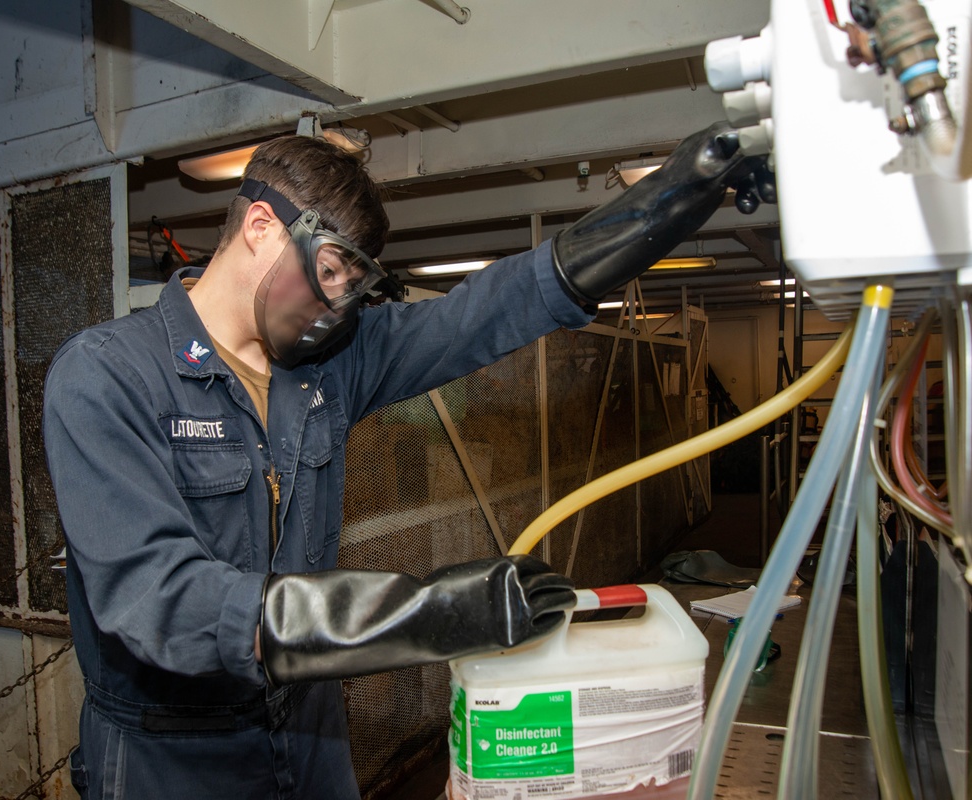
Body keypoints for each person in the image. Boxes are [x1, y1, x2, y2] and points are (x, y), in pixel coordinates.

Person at [43, 123, 771, 798]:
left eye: (354, 287)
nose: (338, 307)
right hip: (172, 754)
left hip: (309, 730)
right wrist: (429, 615)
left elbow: (484, 311)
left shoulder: (328, 367)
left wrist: (670, 200)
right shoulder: (107, 377)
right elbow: (164, 602)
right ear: (261, 227)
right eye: (330, 272)